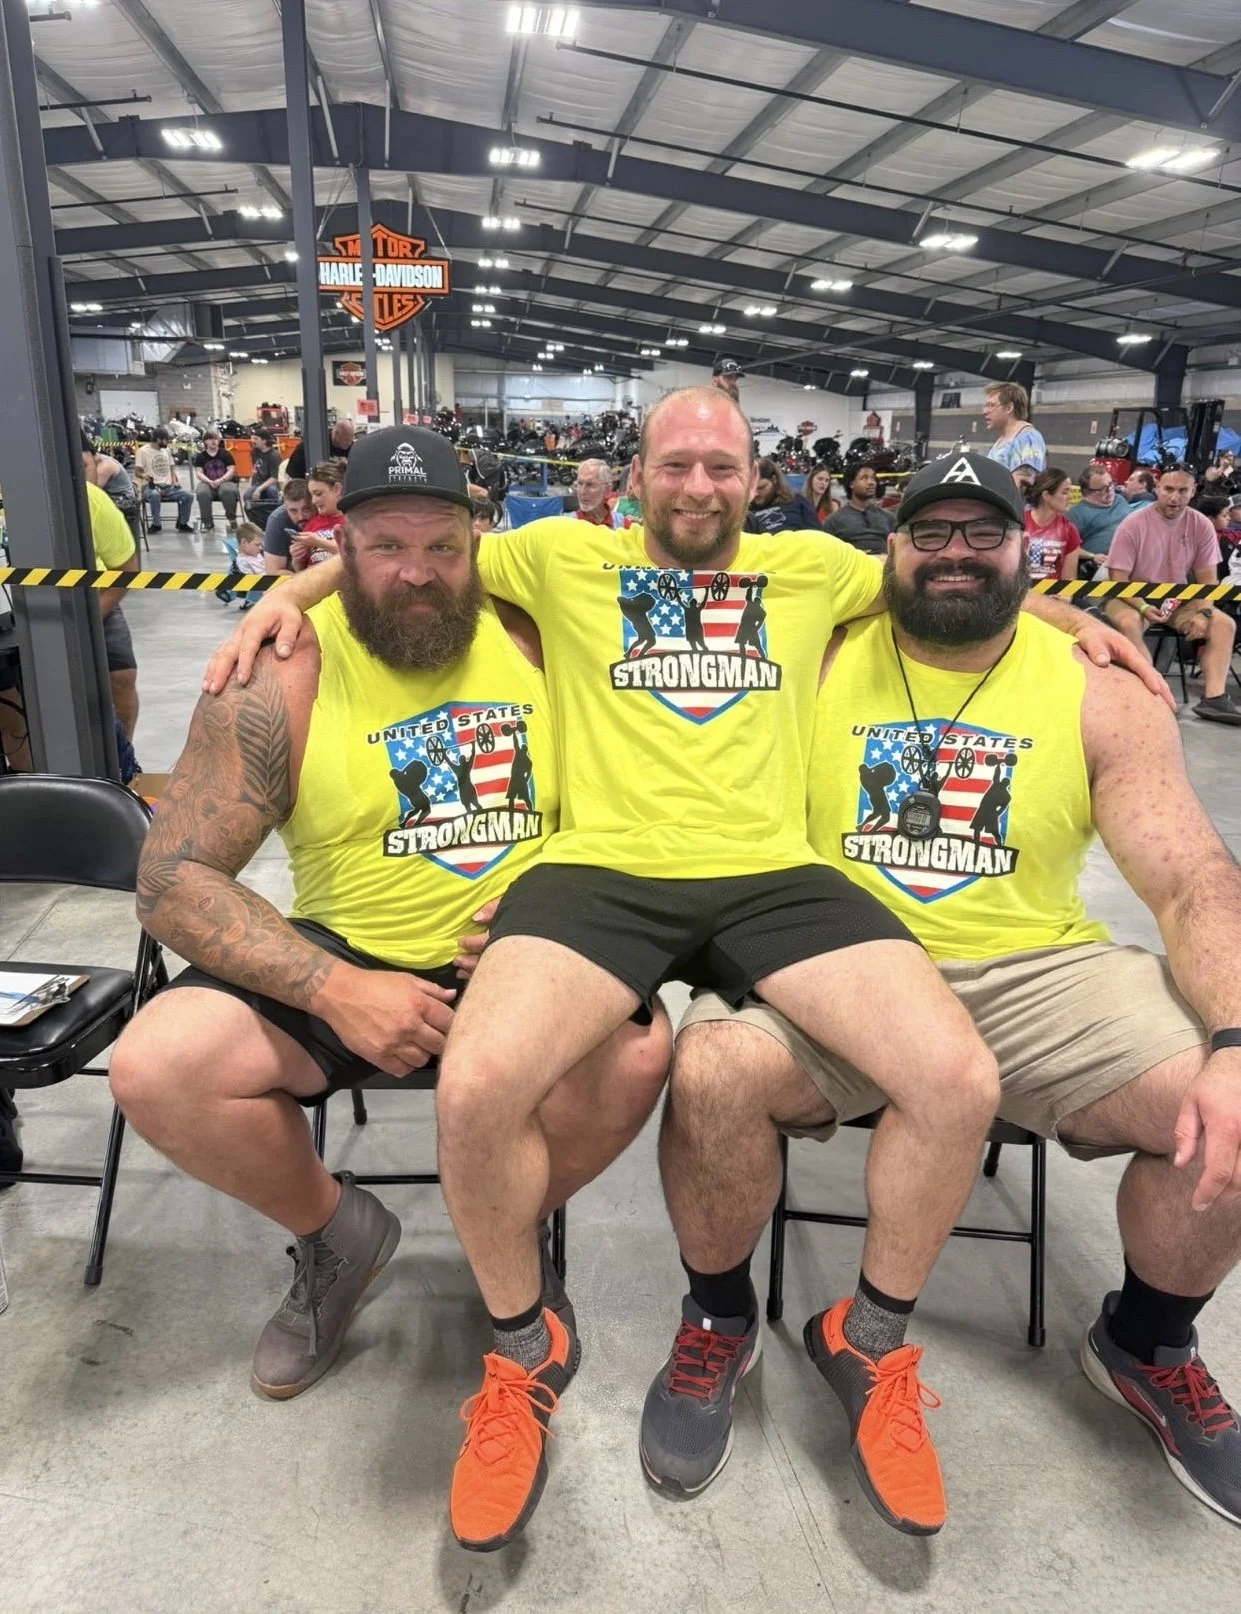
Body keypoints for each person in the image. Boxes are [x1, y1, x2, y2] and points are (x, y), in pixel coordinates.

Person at [205, 399, 1165, 1552]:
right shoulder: (559, 552)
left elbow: (955, 570)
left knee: (954, 1077)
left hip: (774, 871)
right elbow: (403, 545)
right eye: (675, 463)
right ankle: (523, 1354)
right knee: (474, 1089)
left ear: (754, 476)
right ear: (636, 475)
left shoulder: (813, 564)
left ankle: (867, 1338)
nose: (697, 484)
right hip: (601, 869)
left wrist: (1075, 622)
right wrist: (279, 593)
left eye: (720, 463)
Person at [660, 449, 1241, 1529]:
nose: (954, 555)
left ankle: (1148, 1341)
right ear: (889, 548)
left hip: (1035, 977)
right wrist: (312, 583)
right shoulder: (814, 649)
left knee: (1227, 1109)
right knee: (708, 1069)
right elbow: (606, 581)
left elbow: (1190, 874)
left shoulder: (1093, 687)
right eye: (930, 533)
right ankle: (716, 1323)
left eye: (983, 534)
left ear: (1030, 550)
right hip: (830, 963)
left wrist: (1235, 1039)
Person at [108, 426, 670, 1407]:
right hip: (345, 955)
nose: (417, 574)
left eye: (441, 547)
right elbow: (172, 877)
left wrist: (555, 901)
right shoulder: (283, 672)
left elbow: (641, 796)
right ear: (341, 546)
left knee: (639, 1048)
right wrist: (335, 988)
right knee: (155, 1065)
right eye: (385, 548)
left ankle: (511, 1235)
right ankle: (336, 1238)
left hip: (525, 952)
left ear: (477, 541)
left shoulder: (539, 633)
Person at [1103, 465, 1240, 727]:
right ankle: (1152, 693)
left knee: (1224, 624)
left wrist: (1204, 612)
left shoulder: (1201, 525)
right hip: (1130, 595)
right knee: (1129, 622)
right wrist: (1143, 608)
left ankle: (1214, 698)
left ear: (1193, 492)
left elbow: (1207, 580)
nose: (1174, 498)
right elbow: (1118, 579)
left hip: (1177, 598)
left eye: (1182, 491)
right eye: (1168, 489)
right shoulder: (1133, 524)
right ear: (1156, 488)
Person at [81, 434, 140, 737]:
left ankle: (124, 760)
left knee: (122, 679)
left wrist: (92, 615)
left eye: (83, 466)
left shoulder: (94, 500)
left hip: (99, 600)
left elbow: (126, 571)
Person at [983, 382, 1046, 491]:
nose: (985, 411)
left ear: (1009, 408)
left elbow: (1023, 486)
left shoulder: (1027, 438)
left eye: (991, 405)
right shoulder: (1001, 441)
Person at [1023, 467, 1081, 580]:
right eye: (1065, 492)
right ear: (1046, 495)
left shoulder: (1069, 530)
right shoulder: (1018, 523)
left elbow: (1068, 580)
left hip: (1051, 595)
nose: (1070, 497)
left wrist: (1064, 597)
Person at [135, 428, 194, 532]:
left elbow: (171, 467)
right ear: (158, 440)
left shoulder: (166, 450)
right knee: (154, 495)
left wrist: (175, 481)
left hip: (168, 486)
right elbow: (137, 472)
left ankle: (182, 523)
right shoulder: (143, 451)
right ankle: (156, 524)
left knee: (188, 496)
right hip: (150, 486)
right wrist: (145, 477)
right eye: (166, 440)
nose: (168, 442)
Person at [824, 463, 895, 548]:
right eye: (864, 478)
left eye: (873, 478)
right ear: (851, 484)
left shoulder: (888, 518)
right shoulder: (834, 521)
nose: (871, 482)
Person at [1069, 463, 1133, 558]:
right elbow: (1067, 547)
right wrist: (1092, 556)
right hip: (1099, 565)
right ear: (1088, 492)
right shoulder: (1076, 514)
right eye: (1102, 489)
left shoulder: (1120, 499)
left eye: (1111, 484)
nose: (1110, 490)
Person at [746, 457, 823, 535]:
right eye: (751, 488)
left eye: (761, 487)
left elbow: (818, 535)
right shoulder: (746, 513)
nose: (756, 493)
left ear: (774, 479)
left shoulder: (796, 501)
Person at [291, 462, 344, 570]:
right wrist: (297, 557)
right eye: (311, 495)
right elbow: (299, 569)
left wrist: (318, 542)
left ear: (337, 489)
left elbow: (353, 554)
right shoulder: (312, 524)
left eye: (318, 494)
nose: (314, 501)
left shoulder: (354, 520)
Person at [262, 479, 312, 574]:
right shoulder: (277, 520)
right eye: (293, 511)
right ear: (285, 506)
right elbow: (273, 572)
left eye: (306, 510)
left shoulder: (324, 513)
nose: (300, 517)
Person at [194, 431, 239, 533]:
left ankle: (232, 519)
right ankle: (207, 522)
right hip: (207, 482)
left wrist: (221, 480)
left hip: (225, 481)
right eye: (210, 439)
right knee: (202, 493)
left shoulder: (225, 454)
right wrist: (209, 481)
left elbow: (231, 470)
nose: (213, 441)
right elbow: (199, 473)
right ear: (205, 442)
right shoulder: (201, 456)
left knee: (228, 490)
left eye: (215, 438)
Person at [285, 420, 355, 482]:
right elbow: (293, 475)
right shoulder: (312, 445)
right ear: (336, 434)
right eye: (346, 440)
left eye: (351, 439)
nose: (349, 443)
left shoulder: (351, 447)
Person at [571, 458, 629, 527]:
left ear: (607, 489)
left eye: (590, 485)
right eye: (580, 483)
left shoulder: (623, 524)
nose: (582, 492)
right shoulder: (566, 524)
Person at [246, 427, 282, 523]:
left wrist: (259, 489)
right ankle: (254, 521)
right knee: (247, 495)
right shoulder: (254, 452)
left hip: (272, 483)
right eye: (253, 438)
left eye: (256, 439)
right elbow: (255, 470)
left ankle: (276, 520)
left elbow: (275, 477)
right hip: (259, 482)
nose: (253, 441)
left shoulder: (274, 456)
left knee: (272, 491)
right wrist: (254, 487)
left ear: (264, 441)